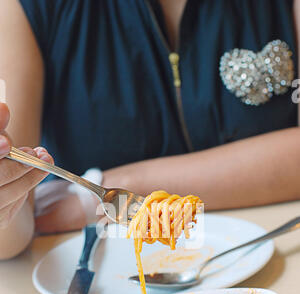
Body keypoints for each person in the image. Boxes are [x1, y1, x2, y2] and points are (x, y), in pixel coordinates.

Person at [1, 0, 300, 260]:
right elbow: (18, 230)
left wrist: (102, 191)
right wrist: (7, 208)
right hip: (93, 283)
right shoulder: (21, 9)